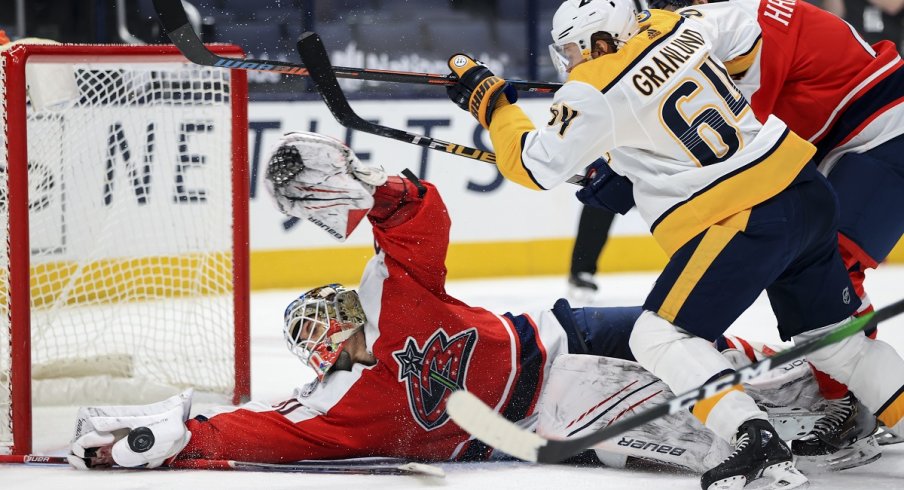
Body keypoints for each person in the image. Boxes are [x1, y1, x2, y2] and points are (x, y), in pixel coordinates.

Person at [443, 0, 904, 489]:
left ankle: (754, 439)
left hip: (749, 216)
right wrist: (628, 163)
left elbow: (532, 165)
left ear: (601, 41)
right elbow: (739, 53)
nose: (572, 61)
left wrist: (493, 104)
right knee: (836, 344)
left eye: (576, 49)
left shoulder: (592, 87)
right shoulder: (680, 27)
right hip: (802, 190)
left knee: (658, 335)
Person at [65, 131, 646, 469]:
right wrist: (184, 440)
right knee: (676, 437)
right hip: (541, 425)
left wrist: (373, 188)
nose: (329, 330)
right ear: (319, 359)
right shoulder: (339, 409)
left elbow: (419, 218)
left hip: (562, 337)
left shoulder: (391, 299)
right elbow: (266, 433)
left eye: (326, 317)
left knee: (681, 333)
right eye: (314, 335)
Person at [647, 0, 904, 467]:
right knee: (808, 256)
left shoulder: (737, 29)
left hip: (886, 132)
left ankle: (857, 401)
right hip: (857, 140)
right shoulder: (735, 22)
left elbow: (737, 153)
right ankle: (858, 393)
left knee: (827, 263)